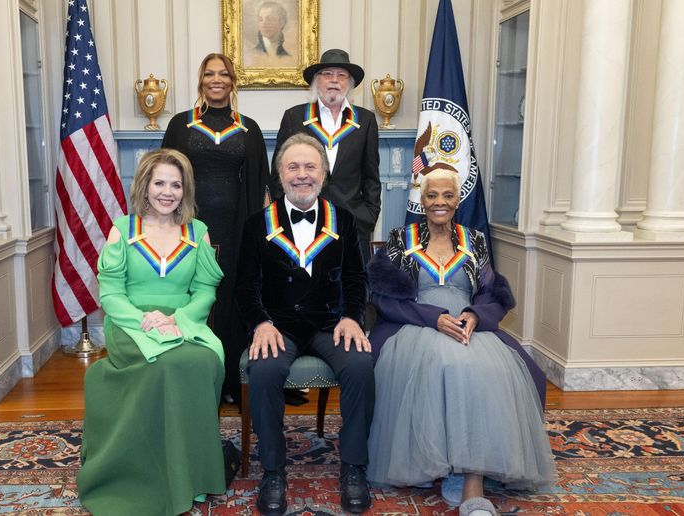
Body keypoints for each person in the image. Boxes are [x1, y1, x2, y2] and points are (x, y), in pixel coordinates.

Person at [365, 168, 555, 516]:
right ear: (421, 201)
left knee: (492, 369)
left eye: (447, 195)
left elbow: (493, 294)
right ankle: (435, 462)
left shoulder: (475, 240)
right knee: (447, 363)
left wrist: (475, 316)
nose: (439, 202)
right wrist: (434, 318)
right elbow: (383, 299)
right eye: (432, 195)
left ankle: (472, 479)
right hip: (414, 324)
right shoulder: (399, 239)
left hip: (468, 327)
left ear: (458, 200)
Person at [77, 149, 226, 515]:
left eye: (176, 185)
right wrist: (142, 319)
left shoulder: (198, 232)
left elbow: (205, 291)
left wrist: (178, 320)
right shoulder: (122, 230)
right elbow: (111, 294)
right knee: (164, 365)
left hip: (185, 321)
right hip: (131, 324)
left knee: (203, 361)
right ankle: (146, 473)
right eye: (160, 183)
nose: (167, 192)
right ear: (144, 186)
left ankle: (190, 473)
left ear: (185, 190)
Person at [235, 133, 375, 515]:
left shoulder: (344, 221)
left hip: (331, 323)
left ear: (323, 174)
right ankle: (273, 471)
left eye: (310, 166)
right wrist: (260, 323)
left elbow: (356, 278)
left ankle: (353, 466)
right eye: (292, 166)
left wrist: (352, 317)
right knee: (264, 371)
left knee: (361, 366)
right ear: (280, 174)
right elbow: (245, 287)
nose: (301, 174)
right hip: (277, 326)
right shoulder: (257, 224)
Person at [162, 53, 269, 405]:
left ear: (233, 82)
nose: (216, 79)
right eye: (209, 74)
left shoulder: (249, 129)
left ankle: (232, 382)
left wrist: (259, 239)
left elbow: (261, 185)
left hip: (236, 231)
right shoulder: (181, 125)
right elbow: (163, 179)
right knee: (195, 299)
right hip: (189, 229)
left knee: (231, 298)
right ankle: (196, 382)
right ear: (201, 80)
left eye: (224, 74)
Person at [271, 48, 381, 262]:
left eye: (341, 75)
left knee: (351, 281)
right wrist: (285, 216)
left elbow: (371, 177)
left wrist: (368, 217)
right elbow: (278, 173)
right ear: (316, 80)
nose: (334, 80)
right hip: (303, 221)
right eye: (327, 74)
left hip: (352, 223)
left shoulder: (365, 120)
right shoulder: (295, 116)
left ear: (350, 83)